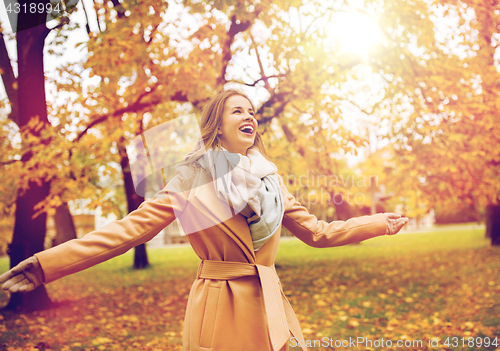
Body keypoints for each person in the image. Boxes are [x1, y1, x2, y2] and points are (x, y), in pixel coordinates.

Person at [0, 90, 408, 351]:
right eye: (237, 110)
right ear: (218, 124)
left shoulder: (272, 180)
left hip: (270, 307)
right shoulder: (191, 179)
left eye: (252, 111)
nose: (249, 116)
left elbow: (319, 233)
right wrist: (44, 265)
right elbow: (128, 231)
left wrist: (377, 223)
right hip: (220, 306)